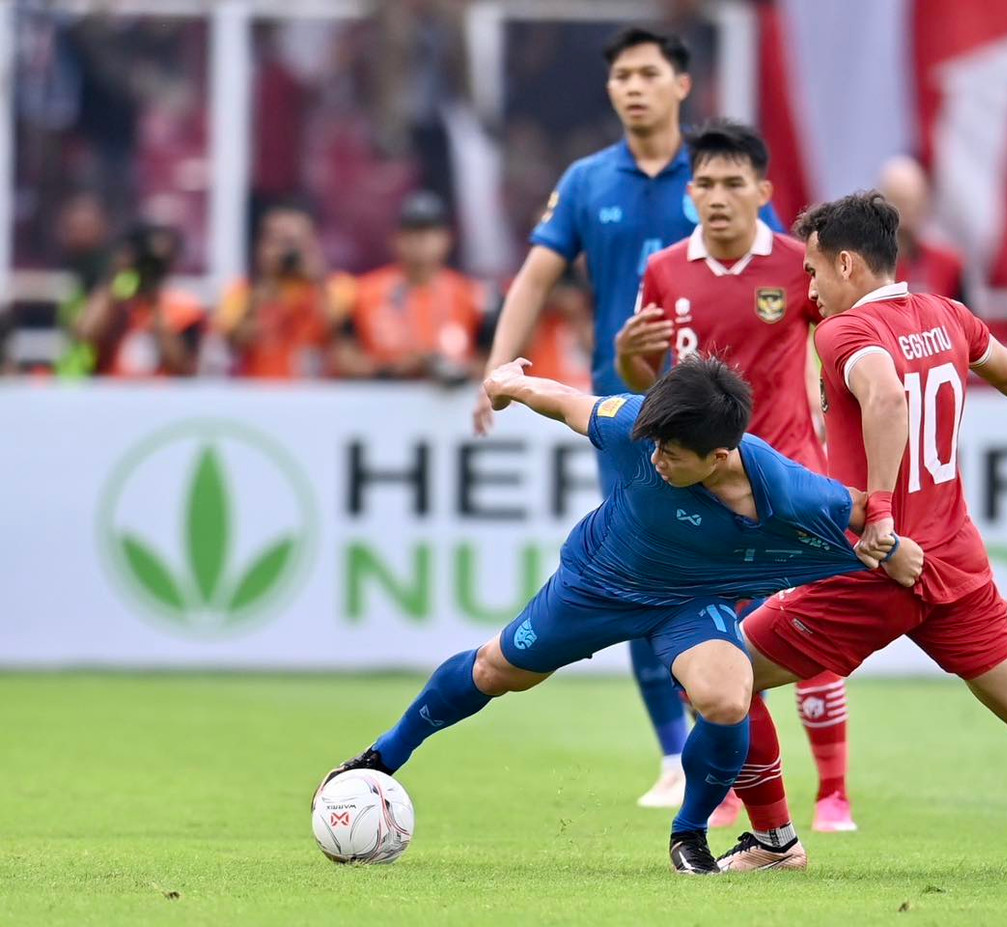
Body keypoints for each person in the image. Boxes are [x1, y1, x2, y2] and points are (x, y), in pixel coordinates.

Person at [710, 192, 1007, 876]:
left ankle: (776, 841)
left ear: (846, 264)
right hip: (954, 564)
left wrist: (879, 512)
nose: (809, 289)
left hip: (874, 567)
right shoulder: (947, 315)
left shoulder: (844, 332)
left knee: (722, 673)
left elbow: (885, 395)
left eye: (813, 271)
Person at [315, 356, 925, 874]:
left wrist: (891, 544)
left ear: (719, 456)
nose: (657, 458)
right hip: (598, 583)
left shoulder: (783, 488)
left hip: (690, 600)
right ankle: (382, 757)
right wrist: (509, 384)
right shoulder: (634, 425)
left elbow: (859, 509)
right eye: (655, 445)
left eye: (673, 454)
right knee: (497, 670)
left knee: (726, 697)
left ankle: (690, 835)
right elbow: (563, 402)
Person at [470, 26, 780, 806]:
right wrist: (499, 368)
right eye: (621, 76)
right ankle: (679, 754)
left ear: (682, 84)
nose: (633, 87)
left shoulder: (715, 174)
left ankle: (750, 756)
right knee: (647, 575)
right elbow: (534, 276)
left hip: (729, 415)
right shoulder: (586, 181)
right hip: (631, 415)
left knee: (746, 583)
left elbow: (780, 274)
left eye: (647, 73)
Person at [615, 120, 857, 834]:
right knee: (706, 641)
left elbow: (844, 340)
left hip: (789, 480)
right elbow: (652, 387)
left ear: (762, 191)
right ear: (689, 194)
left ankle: (834, 793)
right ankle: (724, 790)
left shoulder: (796, 263)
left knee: (808, 632)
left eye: (732, 183)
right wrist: (627, 355)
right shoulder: (666, 270)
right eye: (706, 184)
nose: (718, 197)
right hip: (706, 491)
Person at [337, 191, 485, 384]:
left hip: (453, 399)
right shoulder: (364, 293)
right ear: (395, 239)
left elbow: (491, 357)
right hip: (382, 396)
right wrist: (391, 369)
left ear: (447, 239)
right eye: (412, 232)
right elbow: (343, 356)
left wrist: (457, 371)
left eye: (429, 231)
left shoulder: (471, 295)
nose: (420, 240)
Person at [215, 202, 355, 380]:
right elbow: (236, 343)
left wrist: (318, 281)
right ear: (261, 244)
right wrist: (264, 285)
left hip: (317, 393)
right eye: (278, 241)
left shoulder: (338, 288)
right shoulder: (240, 292)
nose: (287, 252)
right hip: (258, 391)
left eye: (295, 242)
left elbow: (340, 340)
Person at [72, 222, 204, 378]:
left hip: (161, 391)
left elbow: (183, 366)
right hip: (112, 389)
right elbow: (85, 334)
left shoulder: (184, 308)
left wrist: (154, 304)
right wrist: (116, 274)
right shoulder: (114, 300)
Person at [877, 155, 966, 303]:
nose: (907, 211)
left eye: (914, 203)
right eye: (899, 202)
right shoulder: (863, 268)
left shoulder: (948, 265)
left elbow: (965, 315)